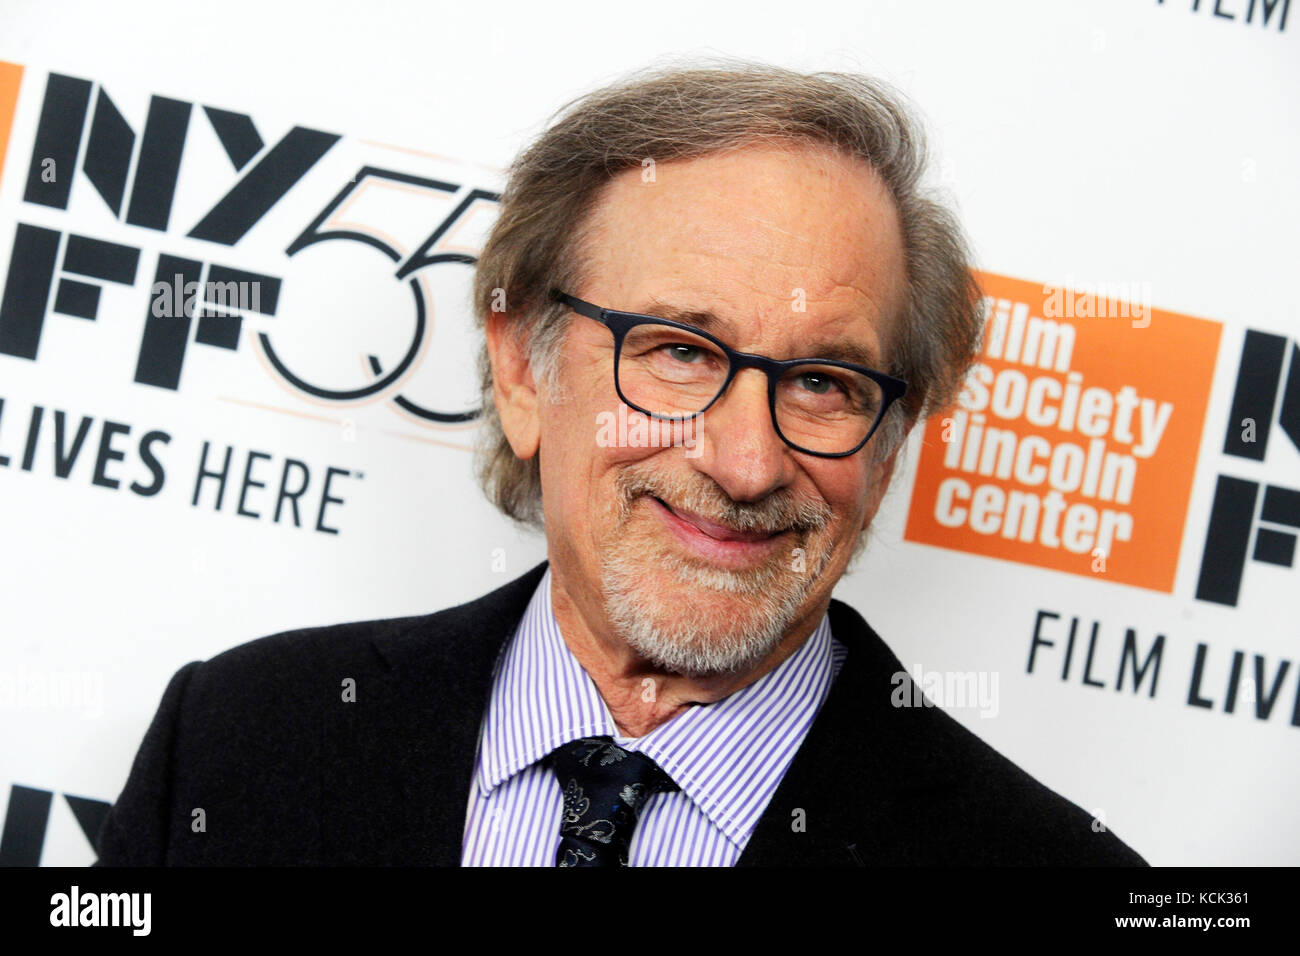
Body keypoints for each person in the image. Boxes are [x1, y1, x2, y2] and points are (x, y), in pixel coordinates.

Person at [94, 62, 1146, 867]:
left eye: (824, 381)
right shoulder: (242, 738)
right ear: (519, 370)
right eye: (679, 352)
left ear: (890, 438)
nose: (745, 462)